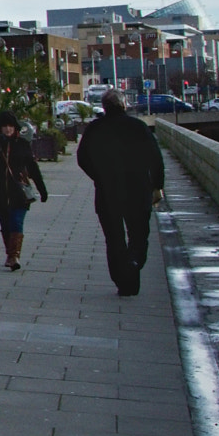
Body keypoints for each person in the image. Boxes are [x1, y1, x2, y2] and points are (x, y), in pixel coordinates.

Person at [76, 89, 164, 296]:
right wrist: (157, 185)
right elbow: (156, 158)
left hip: (108, 191)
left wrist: (98, 176)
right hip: (138, 189)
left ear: (104, 107)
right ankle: (134, 262)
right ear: (124, 105)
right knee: (139, 234)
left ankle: (123, 281)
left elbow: (82, 158)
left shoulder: (95, 128)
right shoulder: (138, 127)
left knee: (114, 238)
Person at [0, 108, 48, 271]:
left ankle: (14, 256)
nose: (7, 129)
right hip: (0, 190)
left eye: (10, 126)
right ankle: (10, 254)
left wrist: (42, 189)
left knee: (16, 222)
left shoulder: (23, 144)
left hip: (19, 192)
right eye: (4, 126)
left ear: (15, 127)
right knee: (6, 225)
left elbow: (32, 167)